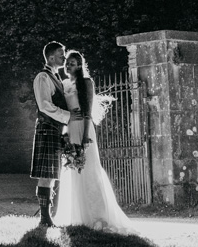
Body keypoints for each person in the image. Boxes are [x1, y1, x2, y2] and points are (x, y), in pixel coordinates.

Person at [55, 50, 135, 233]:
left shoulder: (86, 83)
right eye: (67, 62)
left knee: (89, 169)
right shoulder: (64, 83)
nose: (69, 66)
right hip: (70, 128)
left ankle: (98, 216)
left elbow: (87, 111)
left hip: (84, 127)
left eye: (73, 63)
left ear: (80, 66)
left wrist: (84, 138)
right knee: (73, 170)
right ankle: (75, 216)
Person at [31, 41, 70, 227]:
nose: (65, 56)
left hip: (55, 129)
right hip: (47, 129)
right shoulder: (42, 77)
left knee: (52, 174)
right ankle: (44, 218)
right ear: (51, 57)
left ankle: (47, 217)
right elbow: (45, 106)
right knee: (46, 175)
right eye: (61, 54)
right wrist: (68, 117)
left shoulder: (57, 77)